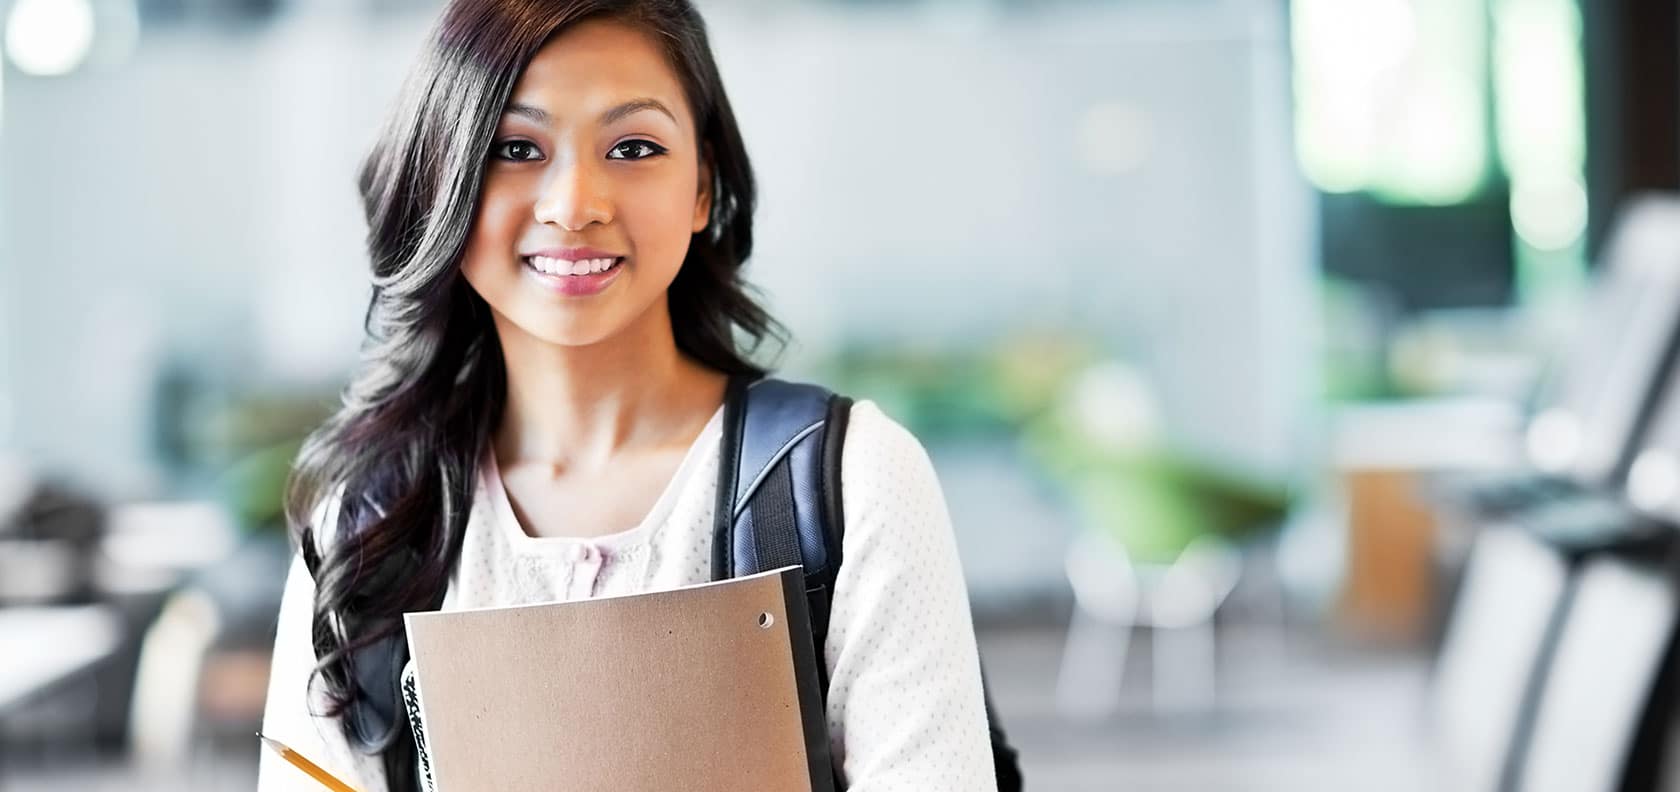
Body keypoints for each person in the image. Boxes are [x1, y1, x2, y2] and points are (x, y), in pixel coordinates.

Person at [258, 1, 996, 789]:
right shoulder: (368, 523)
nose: (575, 205)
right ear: (446, 178)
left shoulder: (854, 482)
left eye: (634, 147)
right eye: (516, 148)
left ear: (704, 186)